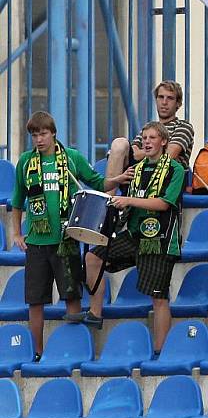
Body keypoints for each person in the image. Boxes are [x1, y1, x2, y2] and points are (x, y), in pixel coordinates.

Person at [9, 111, 131, 359]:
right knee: (35, 300)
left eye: (43, 133)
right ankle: (38, 352)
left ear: (53, 133)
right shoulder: (25, 162)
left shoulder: (71, 158)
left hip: (66, 240)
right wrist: (16, 233)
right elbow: (17, 200)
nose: (39, 139)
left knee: (72, 295)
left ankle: (73, 350)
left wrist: (118, 179)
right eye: (34, 135)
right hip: (37, 241)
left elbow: (97, 183)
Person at [76, 122, 185, 351]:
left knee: (159, 298)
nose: (146, 142)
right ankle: (95, 312)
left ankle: (159, 352)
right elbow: (127, 202)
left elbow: (163, 204)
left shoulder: (175, 170)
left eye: (152, 137)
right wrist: (117, 201)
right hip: (134, 236)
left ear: (163, 142)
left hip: (159, 240)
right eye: (144, 138)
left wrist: (128, 200)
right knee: (93, 258)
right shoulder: (137, 169)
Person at [106, 80, 194, 176]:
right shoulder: (150, 128)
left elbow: (170, 154)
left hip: (167, 176)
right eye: (161, 97)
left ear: (178, 103)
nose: (164, 102)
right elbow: (134, 150)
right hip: (141, 174)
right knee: (119, 144)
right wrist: (152, 152)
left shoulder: (183, 126)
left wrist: (142, 153)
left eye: (170, 98)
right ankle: (108, 190)